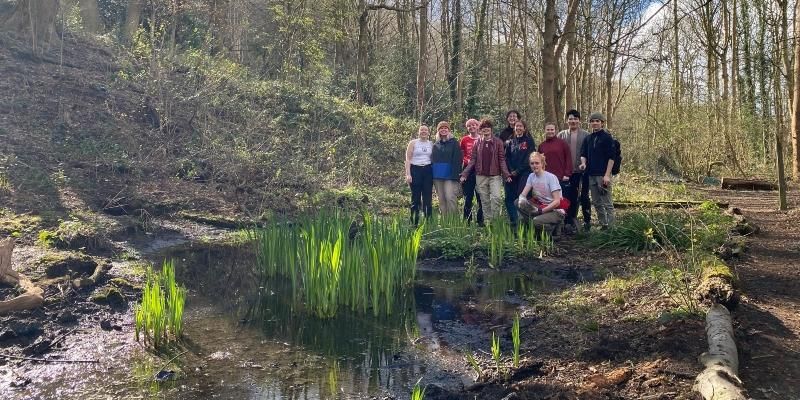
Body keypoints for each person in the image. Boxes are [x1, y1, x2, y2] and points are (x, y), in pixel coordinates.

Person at [460, 119, 511, 221]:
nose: (485, 129)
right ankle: (488, 223)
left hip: (495, 175)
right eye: (483, 128)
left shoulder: (498, 142)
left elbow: (501, 159)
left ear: (491, 129)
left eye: (487, 127)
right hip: (481, 176)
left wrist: (506, 174)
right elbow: (473, 160)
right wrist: (464, 174)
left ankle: (495, 221)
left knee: (496, 198)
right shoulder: (477, 143)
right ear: (480, 130)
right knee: (484, 200)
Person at [579, 112, 616, 230]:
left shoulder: (607, 138)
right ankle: (603, 225)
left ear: (602, 123)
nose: (594, 123)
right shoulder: (588, 138)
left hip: (602, 176)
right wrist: (583, 163)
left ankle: (611, 228)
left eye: (597, 121)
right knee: (596, 202)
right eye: (592, 121)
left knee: (607, 203)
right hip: (591, 175)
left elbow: (612, 158)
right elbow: (583, 154)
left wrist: (607, 175)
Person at [516, 152, 566, 235]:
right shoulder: (531, 176)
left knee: (536, 221)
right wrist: (522, 199)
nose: (534, 165)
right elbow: (523, 194)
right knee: (517, 202)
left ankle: (553, 228)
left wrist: (541, 211)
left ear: (542, 164)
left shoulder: (551, 177)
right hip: (540, 206)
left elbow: (557, 202)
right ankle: (535, 224)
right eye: (532, 163)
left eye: (537, 163)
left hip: (555, 210)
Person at [557, 109, 591, 233]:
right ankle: (568, 222)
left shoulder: (586, 135)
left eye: (575, 119)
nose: (573, 121)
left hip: (582, 171)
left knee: (583, 196)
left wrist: (585, 164)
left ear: (579, 121)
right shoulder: (561, 135)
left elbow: (589, 153)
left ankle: (587, 222)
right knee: (567, 197)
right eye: (570, 119)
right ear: (567, 121)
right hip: (566, 172)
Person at [504, 119, 535, 228]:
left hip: (525, 173)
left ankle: (525, 221)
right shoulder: (510, 141)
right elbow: (506, 157)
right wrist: (511, 170)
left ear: (524, 128)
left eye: (521, 126)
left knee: (522, 196)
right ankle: (514, 220)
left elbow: (529, 158)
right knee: (509, 197)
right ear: (514, 128)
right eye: (517, 126)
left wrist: (518, 171)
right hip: (511, 174)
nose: (518, 128)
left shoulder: (529, 141)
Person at [431, 121, 463, 216]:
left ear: (449, 130)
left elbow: (458, 160)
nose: (443, 129)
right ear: (438, 131)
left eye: (446, 128)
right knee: (441, 199)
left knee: (450, 197)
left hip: (450, 175)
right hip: (437, 175)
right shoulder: (435, 144)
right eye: (441, 128)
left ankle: (454, 222)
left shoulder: (454, 142)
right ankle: (445, 222)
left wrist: (457, 176)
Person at [405, 125, 433, 226]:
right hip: (415, 170)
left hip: (428, 171)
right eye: (422, 130)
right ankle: (414, 223)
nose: (424, 131)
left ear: (428, 132)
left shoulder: (431, 144)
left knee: (427, 198)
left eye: (426, 130)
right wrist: (408, 174)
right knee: (415, 198)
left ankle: (428, 223)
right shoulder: (413, 143)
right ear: (419, 132)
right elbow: (408, 159)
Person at [460, 118, 484, 225]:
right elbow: (461, 155)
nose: (472, 127)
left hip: (480, 171)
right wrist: (467, 160)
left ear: (478, 126)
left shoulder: (483, 138)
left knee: (481, 197)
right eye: (469, 126)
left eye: (474, 125)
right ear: (467, 128)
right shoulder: (464, 140)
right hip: (468, 171)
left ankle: (480, 220)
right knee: (468, 197)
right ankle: (467, 221)